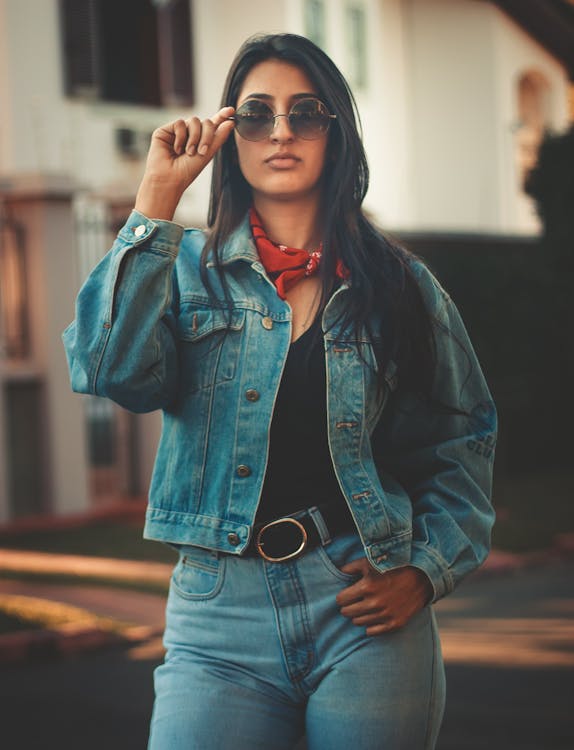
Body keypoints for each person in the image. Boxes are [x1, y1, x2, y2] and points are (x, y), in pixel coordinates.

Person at [63, 32, 496, 750]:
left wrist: (424, 572)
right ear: (231, 134)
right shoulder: (182, 270)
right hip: (216, 614)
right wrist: (157, 199)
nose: (282, 132)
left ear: (338, 134)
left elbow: (462, 440)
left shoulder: (401, 286)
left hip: (362, 608)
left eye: (307, 113)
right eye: (258, 114)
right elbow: (109, 371)